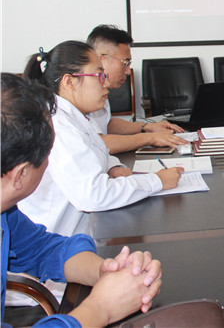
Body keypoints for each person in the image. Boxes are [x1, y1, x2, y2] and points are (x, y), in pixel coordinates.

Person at [1, 73, 163, 327]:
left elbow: (41, 249)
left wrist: (106, 270)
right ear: (21, 174)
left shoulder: (5, 212)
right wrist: (101, 308)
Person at [19, 41, 184, 236]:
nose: (105, 83)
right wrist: (157, 181)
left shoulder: (75, 115)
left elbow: (98, 150)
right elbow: (93, 195)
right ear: (69, 82)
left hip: (85, 230)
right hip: (60, 240)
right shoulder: (59, 127)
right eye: (99, 76)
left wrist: (113, 167)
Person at [86, 25, 187, 154]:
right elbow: (97, 143)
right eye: (125, 63)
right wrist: (150, 138)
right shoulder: (83, 93)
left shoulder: (100, 88)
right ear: (101, 59)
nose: (128, 71)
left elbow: (107, 124)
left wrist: (148, 127)